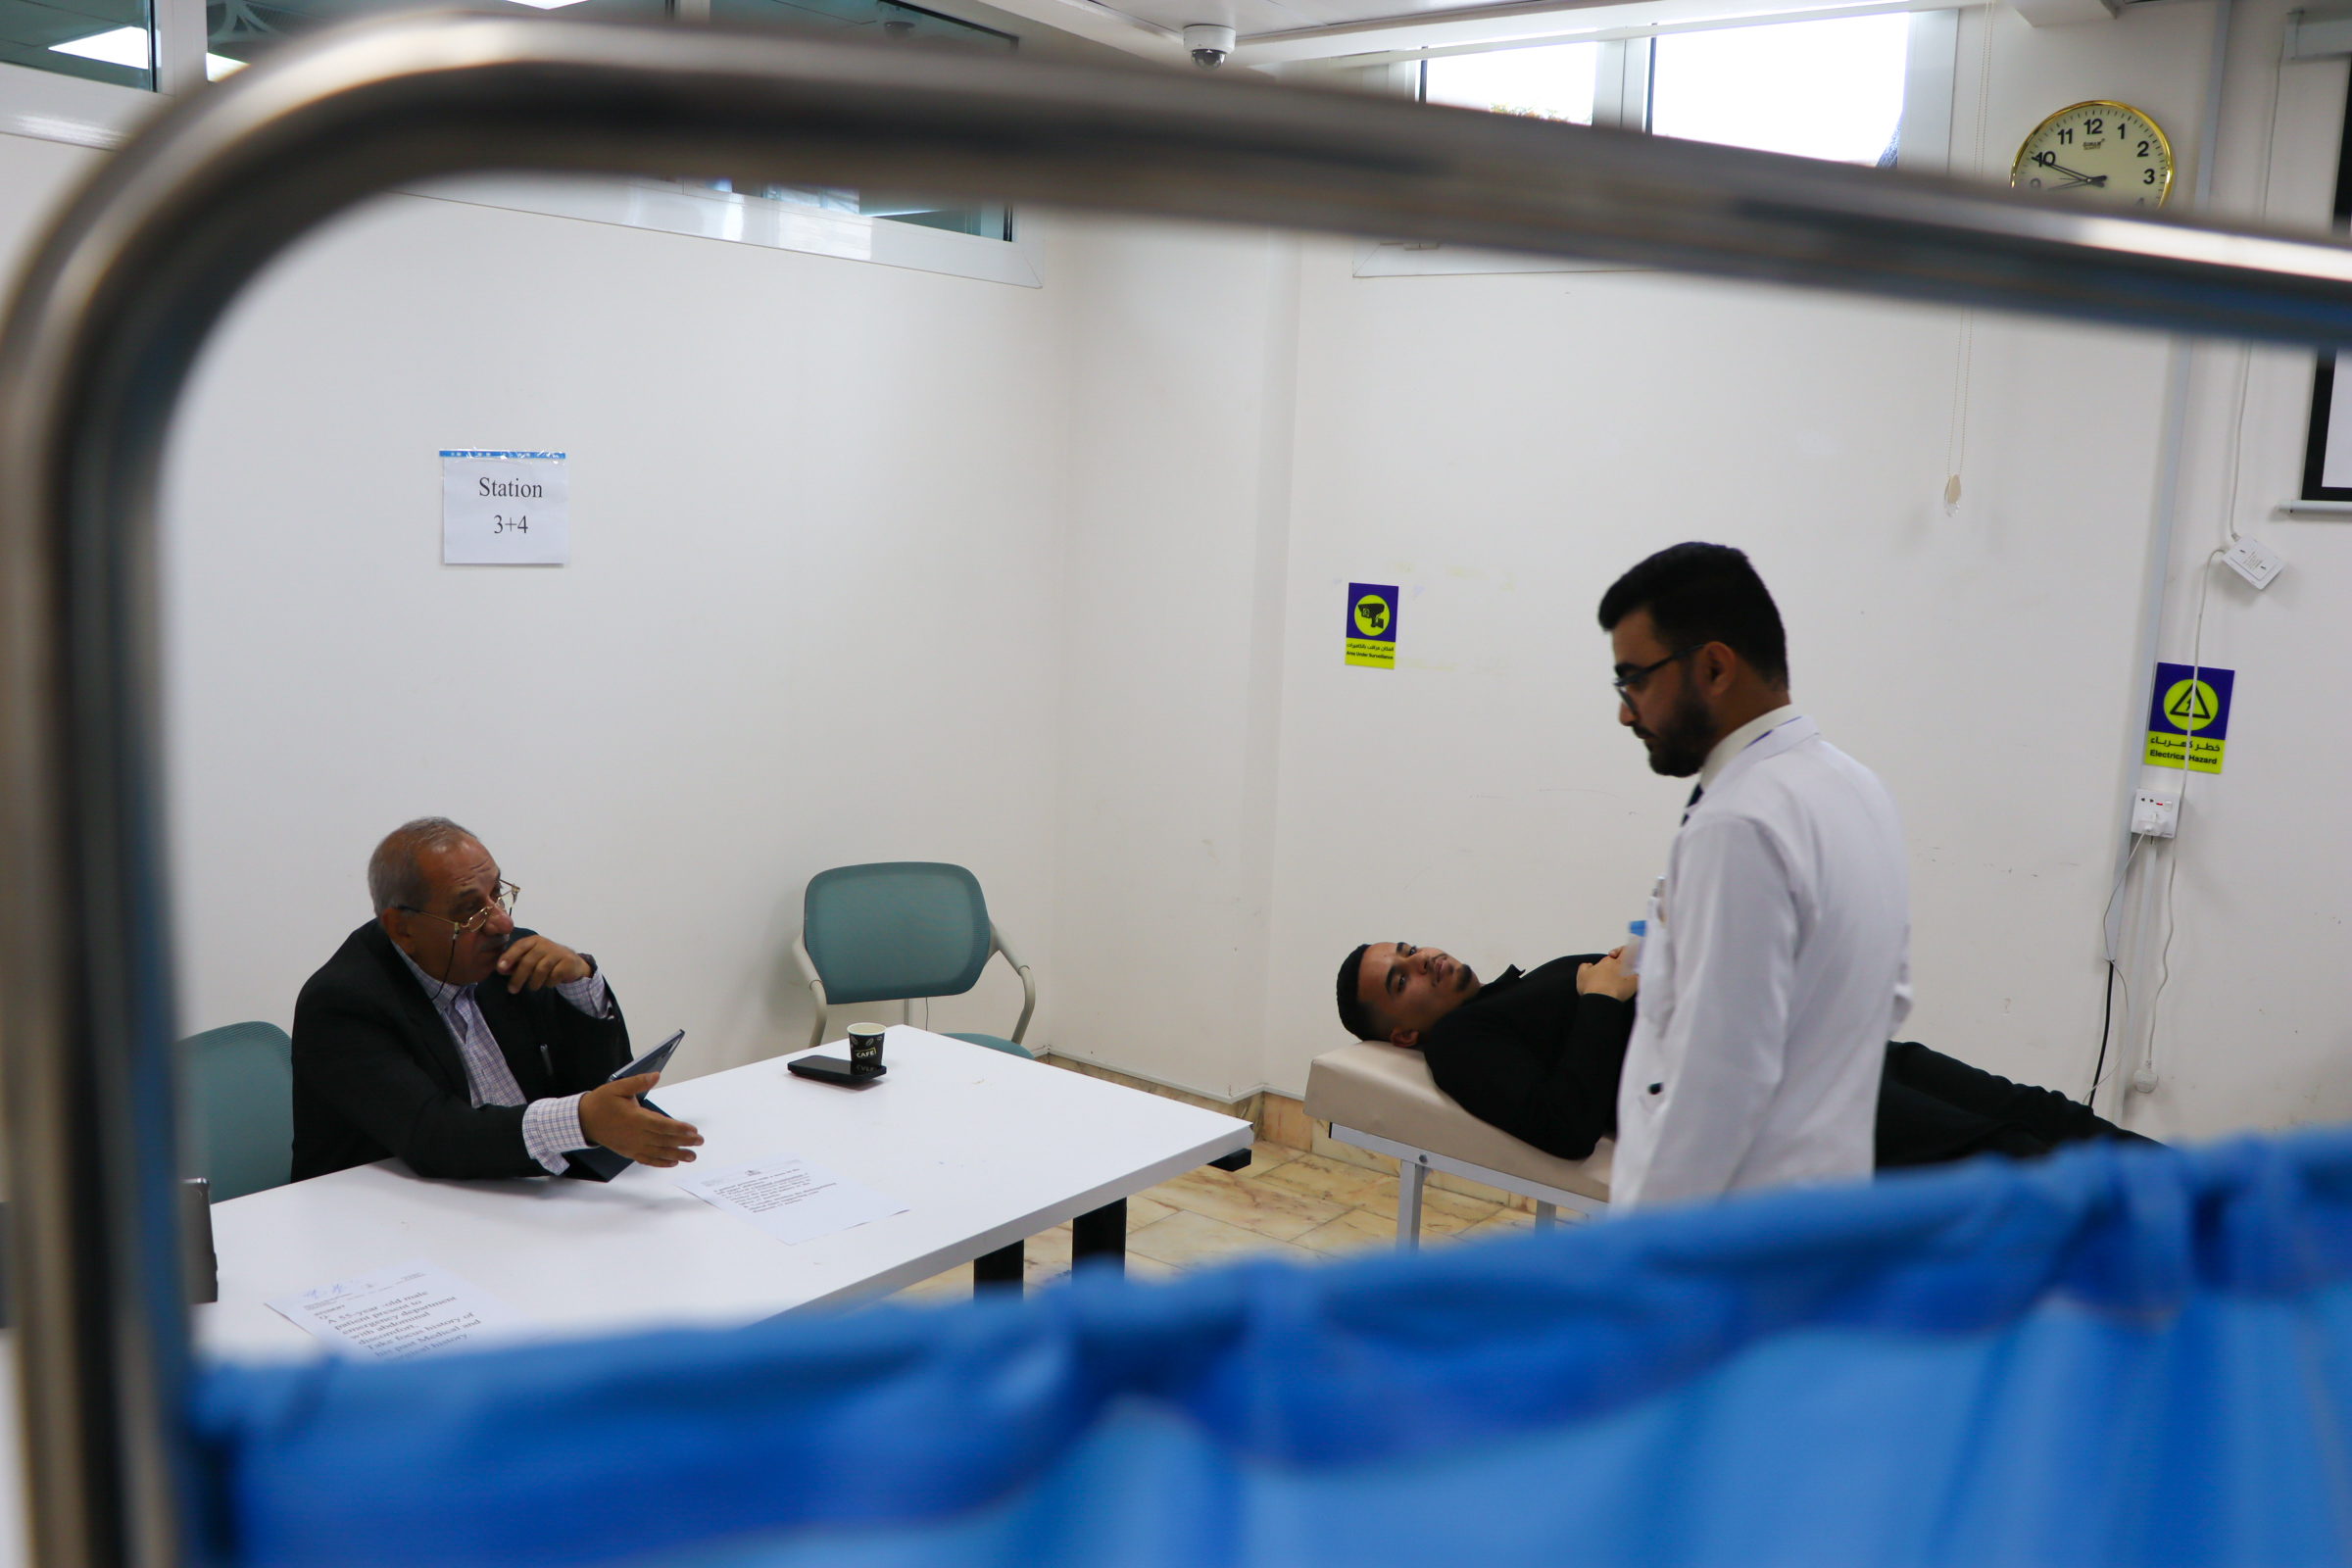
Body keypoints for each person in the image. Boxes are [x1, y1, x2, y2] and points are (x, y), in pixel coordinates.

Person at [1596, 544, 1912, 1207]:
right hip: (1819, 1210)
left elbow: (1715, 1085)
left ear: (1714, 667)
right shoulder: (1856, 786)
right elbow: (1893, 997)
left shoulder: (1738, 824)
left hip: (1727, 1238)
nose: (1626, 712)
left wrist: (1643, 1249)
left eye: (1636, 680)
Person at [1334, 940, 2150, 1170]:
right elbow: (1563, 1124)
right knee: (2007, 1150)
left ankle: (2201, 1195)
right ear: (1402, 1033)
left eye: (1409, 949)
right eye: (1401, 981)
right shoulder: (1463, 1044)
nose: (1423, 960)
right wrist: (1600, 998)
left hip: (1802, 1046)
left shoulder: (1500, 1004)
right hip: (1773, 1102)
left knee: (2031, 1109)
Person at [291, 817, 704, 1182]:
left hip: (522, 1194)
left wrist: (580, 983)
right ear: (403, 929)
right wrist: (581, 1121)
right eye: (469, 910)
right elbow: (434, 1135)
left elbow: (600, 1091)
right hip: (384, 1218)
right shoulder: (341, 1005)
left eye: (497, 894)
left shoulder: (513, 959)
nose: (502, 922)